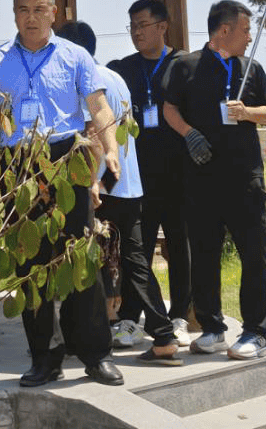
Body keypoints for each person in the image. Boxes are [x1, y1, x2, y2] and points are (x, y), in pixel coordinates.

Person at [0, 0, 124, 388]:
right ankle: (44, 357)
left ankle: (95, 355)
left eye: (39, 9)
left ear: (54, 13)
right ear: (14, 14)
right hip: (19, 165)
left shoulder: (76, 55)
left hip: (65, 157)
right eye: (23, 10)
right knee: (29, 262)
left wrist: (109, 147)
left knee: (79, 255)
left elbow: (97, 104)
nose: (31, 17)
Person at [58, 21, 181, 367]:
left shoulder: (82, 81)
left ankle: (84, 337)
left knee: (84, 260)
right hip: (128, 185)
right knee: (135, 261)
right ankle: (163, 336)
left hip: (100, 185)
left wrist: (93, 183)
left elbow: (93, 134)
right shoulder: (116, 78)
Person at [162, 0, 266, 360]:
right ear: (224, 30)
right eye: (245, 30)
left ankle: (256, 331)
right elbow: (169, 108)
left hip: (245, 179)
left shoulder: (252, 69)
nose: (249, 36)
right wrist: (188, 134)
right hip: (201, 179)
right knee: (205, 254)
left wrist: (247, 112)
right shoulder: (185, 67)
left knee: (254, 254)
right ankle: (212, 328)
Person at [107, 0, 191, 348]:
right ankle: (129, 318)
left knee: (179, 247)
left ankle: (180, 317)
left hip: (179, 175)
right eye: (132, 26)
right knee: (135, 250)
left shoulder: (185, 65)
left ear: (162, 26)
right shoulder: (121, 69)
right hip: (136, 179)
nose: (136, 32)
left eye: (142, 25)